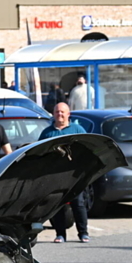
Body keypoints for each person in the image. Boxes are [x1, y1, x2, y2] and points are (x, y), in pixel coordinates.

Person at [40, 103, 90, 242]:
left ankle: (83, 233)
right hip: (55, 176)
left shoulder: (77, 129)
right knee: (58, 205)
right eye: (57, 112)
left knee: (78, 204)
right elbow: (41, 154)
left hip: (75, 175)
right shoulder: (47, 133)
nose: (59, 114)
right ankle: (60, 234)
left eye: (62, 112)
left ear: (68, 114)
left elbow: (88, 149)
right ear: (53, 114)